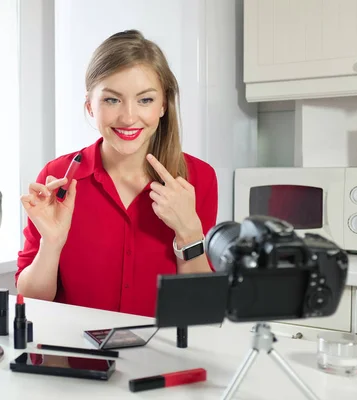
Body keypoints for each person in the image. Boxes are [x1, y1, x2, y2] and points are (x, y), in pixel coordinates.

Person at [16, 30, 218, 318]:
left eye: (145, 100)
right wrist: (52, 242)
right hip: (72, 358)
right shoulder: (58, 176)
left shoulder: (199, 178)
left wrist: (189, 233)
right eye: (112, 100)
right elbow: (33, 300)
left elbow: (200, 309)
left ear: (163, 104)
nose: (128, 117)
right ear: (90, 105)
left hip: (161, 360)